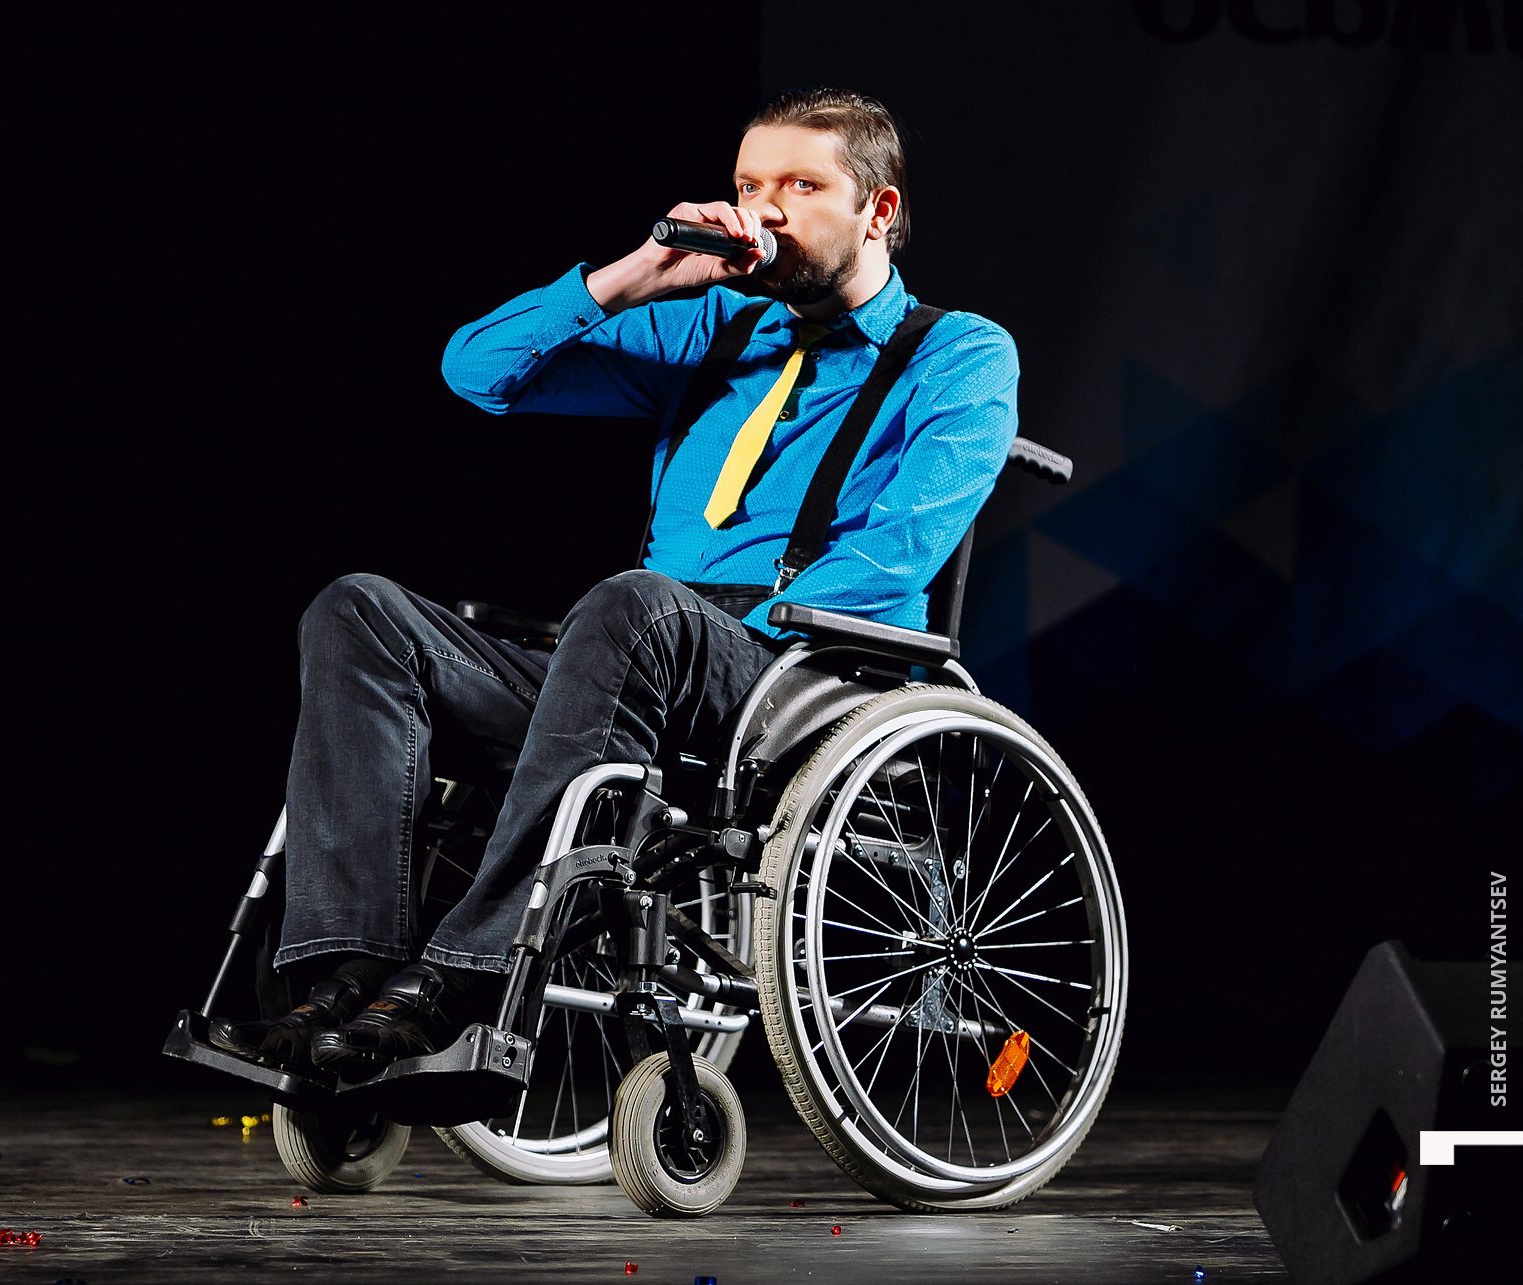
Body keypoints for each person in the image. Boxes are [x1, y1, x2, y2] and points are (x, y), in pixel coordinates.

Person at [208, 86, 1019, 1079]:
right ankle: (349, 975)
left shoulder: (959, 353)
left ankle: (463, 976)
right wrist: (638, 275)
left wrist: (723, 630)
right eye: (748, 186)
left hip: (802, 668)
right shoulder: (715, 328)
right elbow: (476, 370)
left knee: (635, 602)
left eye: (801, 186)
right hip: (628, 652)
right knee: (359, 610)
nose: (764, 210)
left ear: (877, 210)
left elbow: (893, 557)